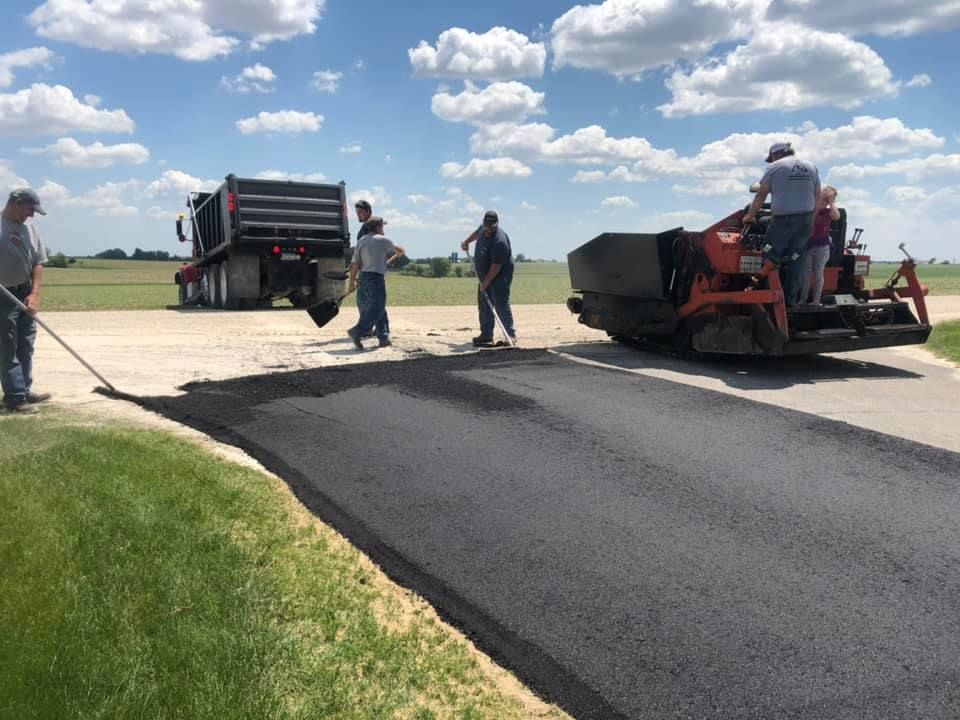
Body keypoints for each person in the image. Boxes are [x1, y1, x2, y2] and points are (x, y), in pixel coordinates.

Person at [743, 142, 820, 307]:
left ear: (775, 155)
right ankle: (790, 302)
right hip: (805, 221)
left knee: (770, 255)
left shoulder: (775, 167)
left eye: (771, 158)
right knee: (796, 259)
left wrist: (750, 216)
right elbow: (817, 196)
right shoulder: (811, 166)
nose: (771, 161)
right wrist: (812, 221)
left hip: (783, 222)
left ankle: (764, 298)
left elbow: (761, 194)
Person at [1, 188, 52, 414]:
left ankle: (24, 390)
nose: (31, 215)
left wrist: (35, 293)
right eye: (30, 209)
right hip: (3, 295)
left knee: (26, 343)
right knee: (6, 346)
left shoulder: (30, 228)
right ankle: (14, 399)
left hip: (25, 291)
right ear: (17, 203)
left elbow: (38, 263)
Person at [347, 216, 404, 349]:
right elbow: (399, 250)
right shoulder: (383, 240)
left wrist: (351, 282)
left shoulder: (362, 240)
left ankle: (383, 338)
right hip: (376, 278)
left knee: (380, 309)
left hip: (363, 277)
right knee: (377, 308)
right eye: (382, 226)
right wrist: (398, 253)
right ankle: (358, 330)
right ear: (379, 227)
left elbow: (355, 263)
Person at [460, 210, 516, 347]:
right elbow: (476, 233)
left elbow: (496, 267)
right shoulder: (482, 228)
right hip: (484, 274)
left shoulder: (499, 241)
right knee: (484, 302)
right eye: (487, 226)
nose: (490, 228)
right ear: (484, 224)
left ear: (497, 225)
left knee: (500, 302)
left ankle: (510, 335)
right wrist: (467, 242)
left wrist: (485, 282)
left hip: (500, 274)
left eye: (493, 226)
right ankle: (486, 335)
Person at [799, 186, 841, 305]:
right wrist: (817, 204)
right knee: (805, 273)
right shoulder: (812, 210)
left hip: (822, 246)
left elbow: (837, 216)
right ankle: (803, 299)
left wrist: (831, 201)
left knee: (818, 272)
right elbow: (810, 223)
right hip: (809, 245)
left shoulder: (829, 212)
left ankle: (816, 300)